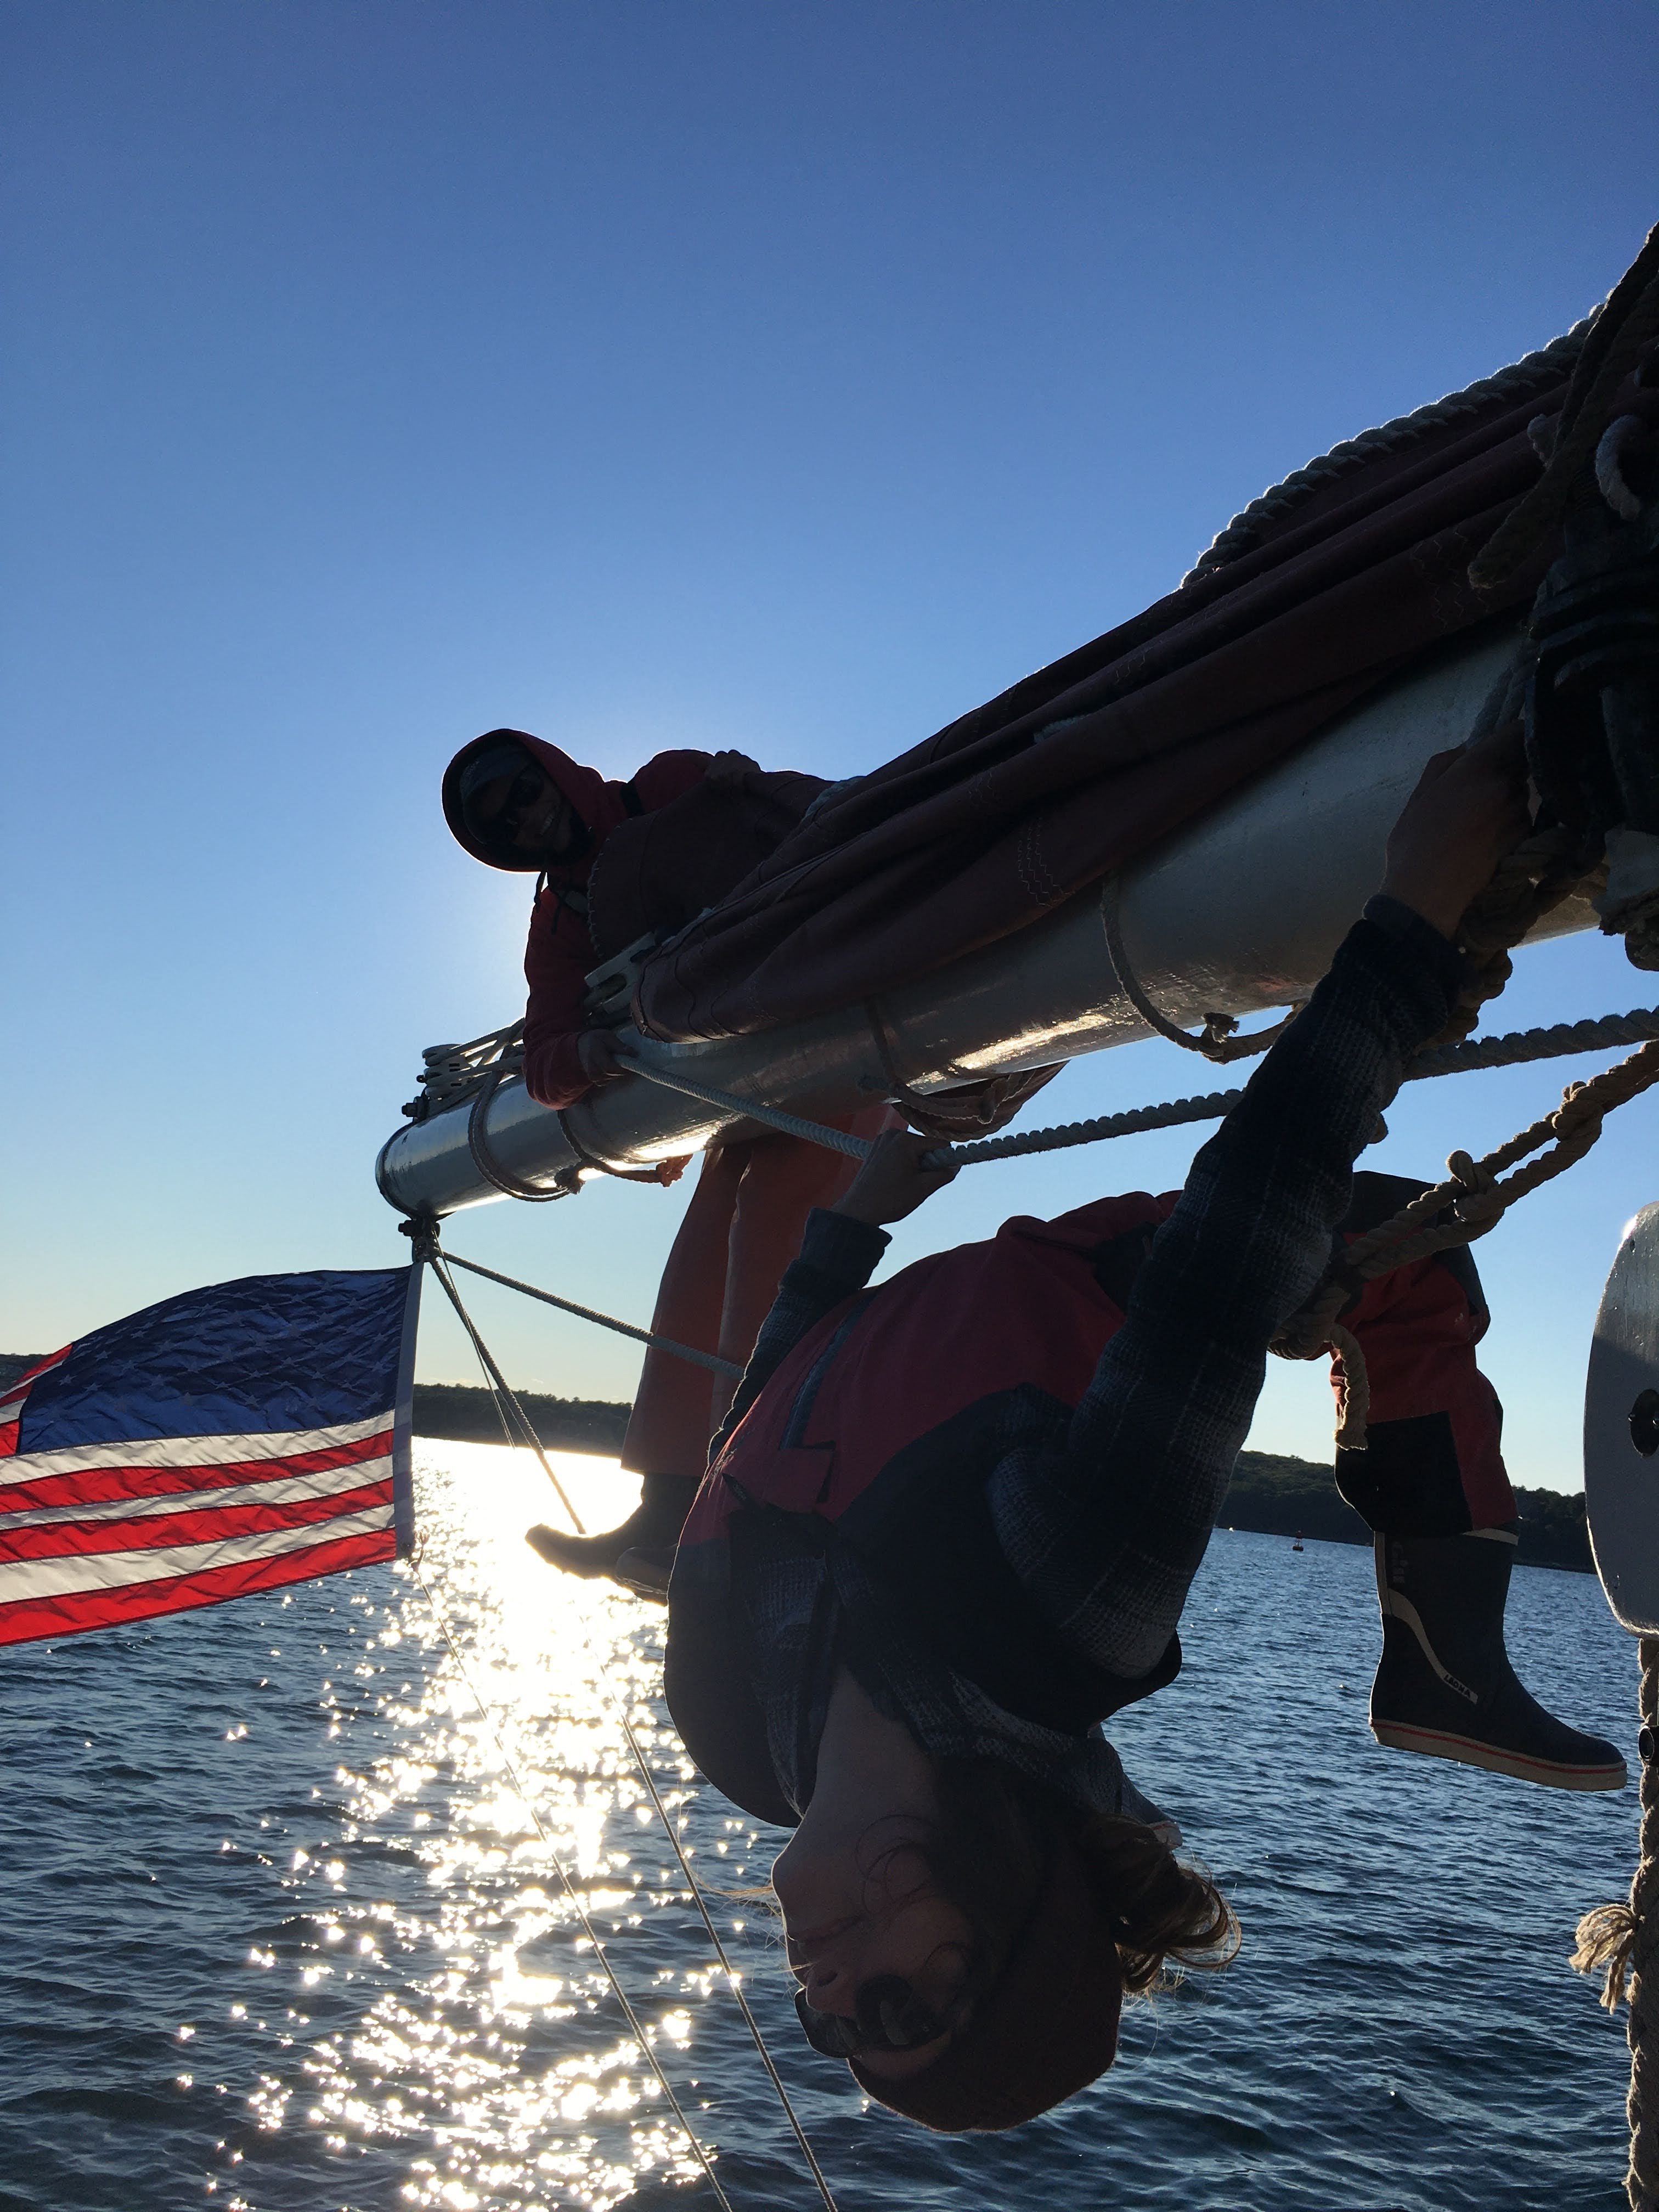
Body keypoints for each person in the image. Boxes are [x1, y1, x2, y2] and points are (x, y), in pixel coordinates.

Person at [608, 728, 1624, 2134]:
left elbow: (756, 1438)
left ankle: (1438, 1650)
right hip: (1115, 1276)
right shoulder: (1066, 1612)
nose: (830, 1998)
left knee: (1364, 1259)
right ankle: (1447, 1642)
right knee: (1397, 1254)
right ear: (1005, 1917)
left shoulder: (725, 1725)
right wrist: (1416, 915)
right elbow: (1240, 1227)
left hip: (959, 1269)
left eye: (829, 2032)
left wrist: (848, 1227)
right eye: (900, 2010)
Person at [442, 729, 892, 1579]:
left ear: (553, 776)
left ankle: (749, 1508)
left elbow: (804, 818)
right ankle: (664, 1515)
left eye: (524, 794)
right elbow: (545, 1056)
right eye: (502, 827)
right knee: (692, 1279)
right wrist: (582, 1060)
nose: (526, 822)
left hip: (838, 1047)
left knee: (770, 1245)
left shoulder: (669, 787)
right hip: (741, 1096)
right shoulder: (560, 923)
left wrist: (747, 786)